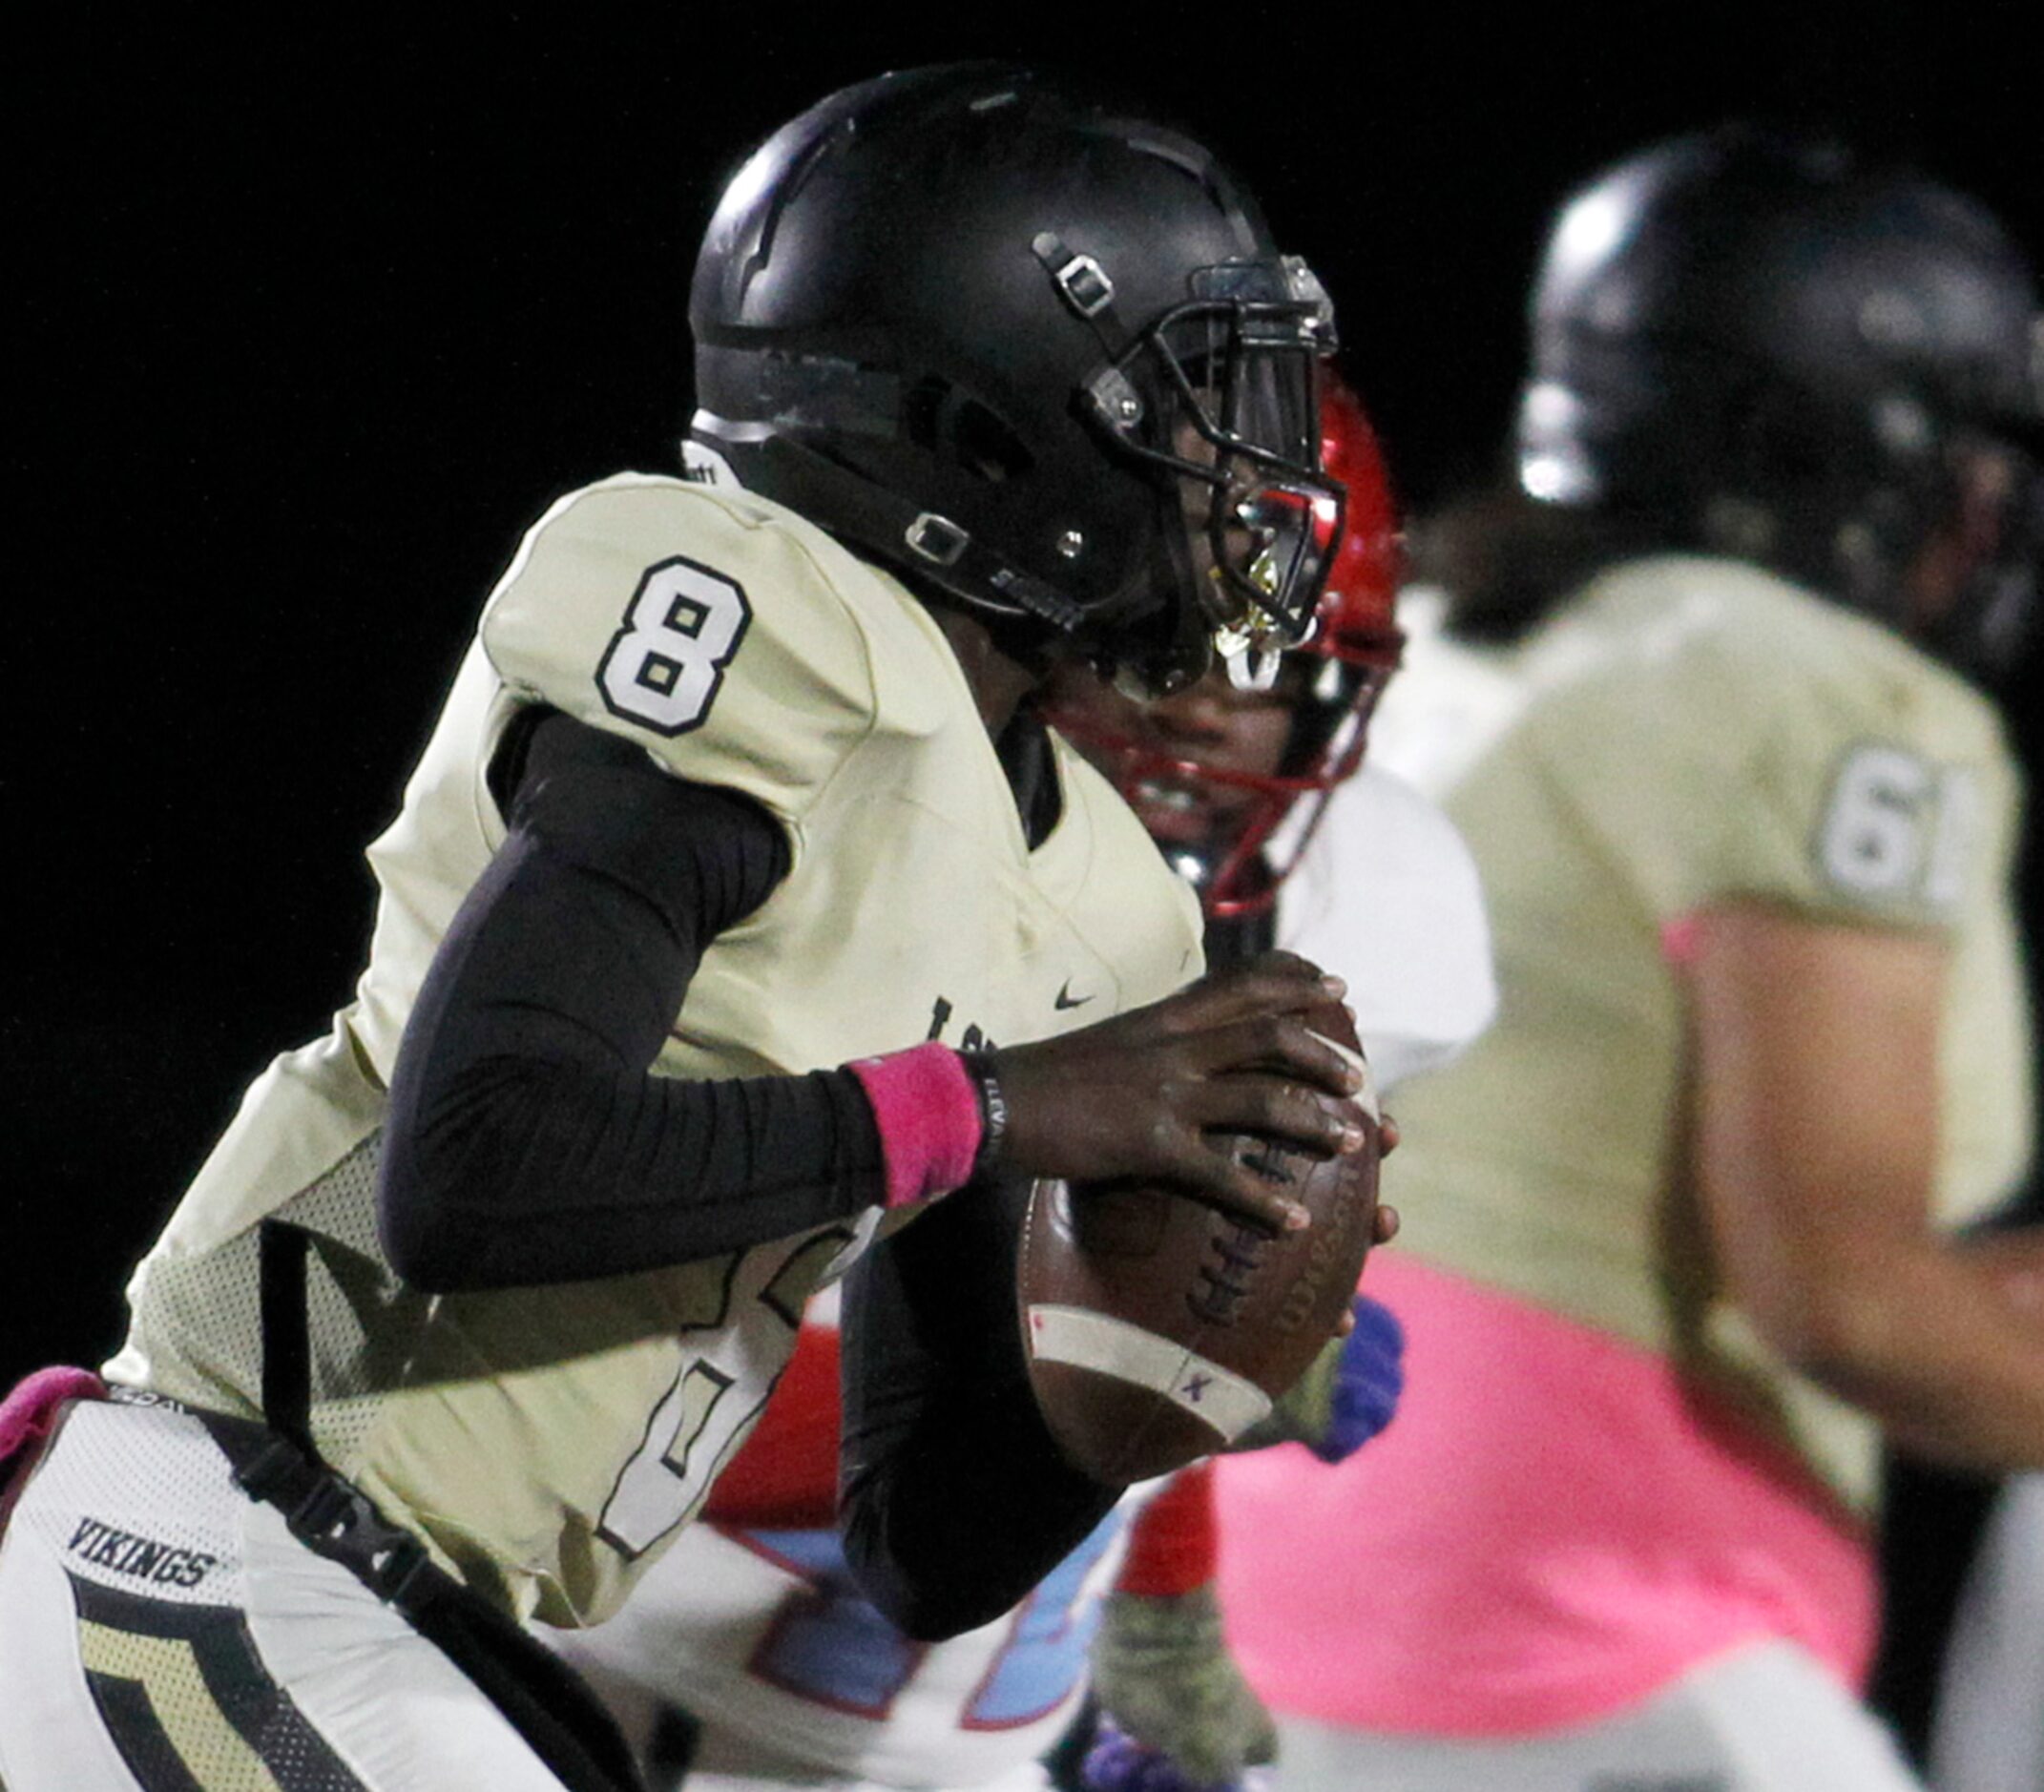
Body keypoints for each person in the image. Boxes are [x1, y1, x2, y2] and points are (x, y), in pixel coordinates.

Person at [0, 65, 1376, 1792]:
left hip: (428, 1620)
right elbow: (473, 1166)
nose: (1234, 472)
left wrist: (1179, 1358)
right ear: (993, 423)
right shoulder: (760, 623)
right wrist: (1004, 1106)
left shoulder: (1096, 888)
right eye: (1186, 406)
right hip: (229, 1532)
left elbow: (922, 1543)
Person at [1216, 124, 2044, 1790]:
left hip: (1235, 1611)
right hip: (1568, 1650)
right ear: (1852, 456)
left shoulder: (1426, 640)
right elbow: (1849, 1297)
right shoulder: (1815, 694)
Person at [545, 378, 1495, 1792]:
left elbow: (1134, 1311)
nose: (1208, 720)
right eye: (1172, 654)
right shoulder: (838, 850)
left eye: (1264, 668)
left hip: (950, 1739)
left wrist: (1154, 1600)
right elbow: (589, 1411)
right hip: (611, 1692)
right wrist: (1174, 1381)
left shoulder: (1369, 907)